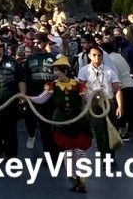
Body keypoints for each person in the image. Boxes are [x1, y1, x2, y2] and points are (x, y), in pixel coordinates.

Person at [27, 56, 91, 191]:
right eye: (54, 70)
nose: (55, 73)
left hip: (77, 120)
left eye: (57, 70)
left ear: (65, 71)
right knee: (68, 151)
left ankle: (81, 178)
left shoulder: (78, 85)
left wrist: (96, 96)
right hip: (62, 121)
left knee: (80, 150)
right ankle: (72, 179)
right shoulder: (53, 86)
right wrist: (27, 98)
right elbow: (41, 99)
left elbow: (88, 98)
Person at [79, 46, 124, 156]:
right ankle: (104, 155)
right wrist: (87, 100)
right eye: (94, 55)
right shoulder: (84, 70)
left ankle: (111, 155)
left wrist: (120, 106)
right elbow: (81, 88)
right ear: (89, 56)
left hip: (108, 101)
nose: (97, 57)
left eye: (99, 55)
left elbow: (117, 89)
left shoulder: (109, 71)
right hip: (93, 102)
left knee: (111, 128)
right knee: (99, 130)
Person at [24, 33, 58, 150]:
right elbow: (26, 77)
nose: (36, 45)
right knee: (33, 122)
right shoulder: (30, 58)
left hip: (50, 96)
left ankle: (53, 154)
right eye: (34, 43)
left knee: (49, 127)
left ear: (45, 43)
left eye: (38, 42)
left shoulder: (54, 57)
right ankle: (33, 138)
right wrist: (24, 95)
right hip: (33, 95)